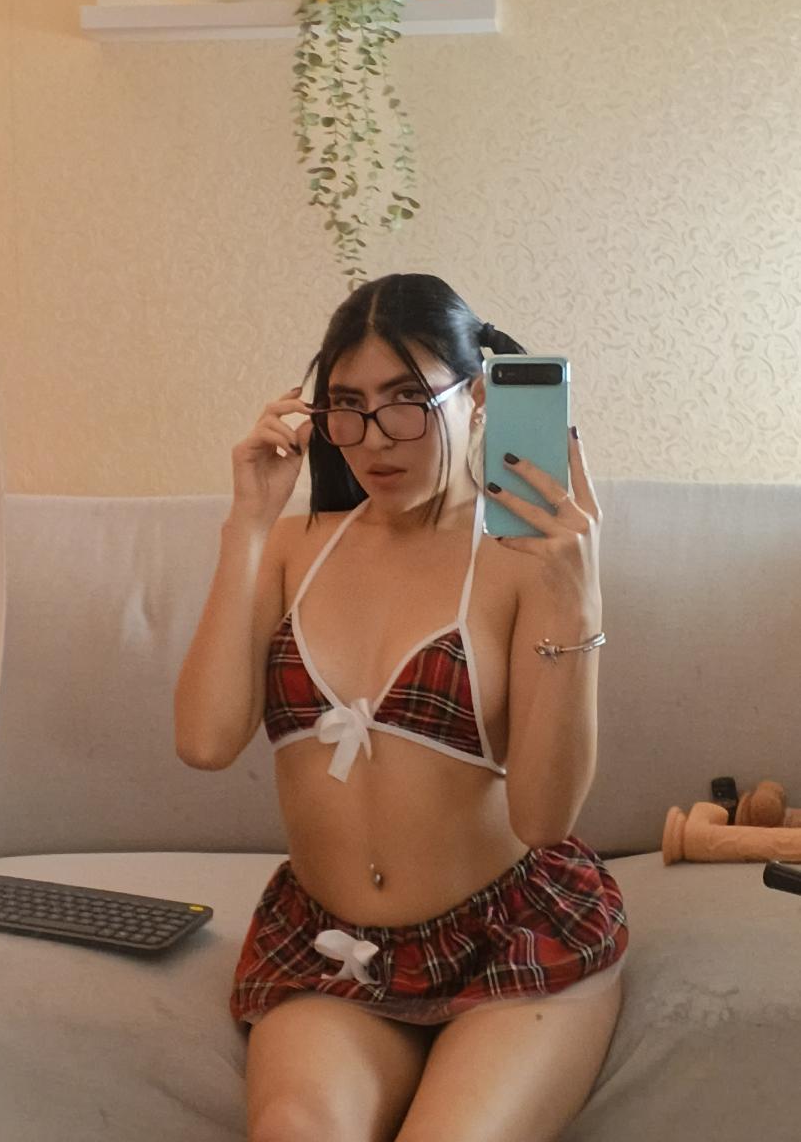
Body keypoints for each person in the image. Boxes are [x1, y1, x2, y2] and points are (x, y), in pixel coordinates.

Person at [174, 272, 629, 1142]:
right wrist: (249, 523)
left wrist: (577, 604)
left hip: (510, 940)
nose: (375, 439)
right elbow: (203, 739)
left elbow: (543, 818)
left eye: (408, 402)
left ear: (479, 396)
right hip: (332, 947)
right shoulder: (293, 548)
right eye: (347, 407)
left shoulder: (524, 561)